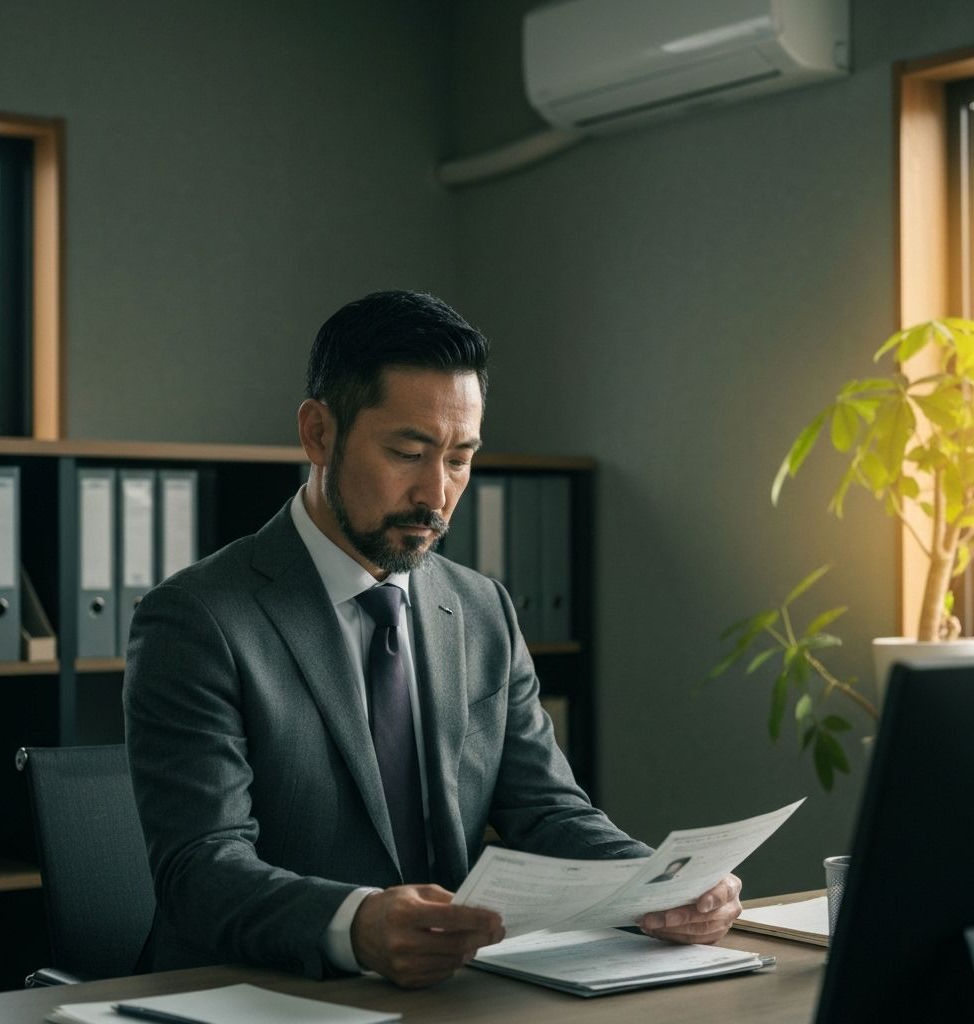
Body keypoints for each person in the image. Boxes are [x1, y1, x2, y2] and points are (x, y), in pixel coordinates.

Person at [123, 290, 742, 989]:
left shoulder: (481, 608)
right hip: (257, 995)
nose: (435, 493)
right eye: (408, 452)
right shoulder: (197, 620)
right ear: (319, 433)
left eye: (459, 459)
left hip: (449, 993)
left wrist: (658, 886)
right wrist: (356, 926)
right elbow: (200, 870)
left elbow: (545, 808)